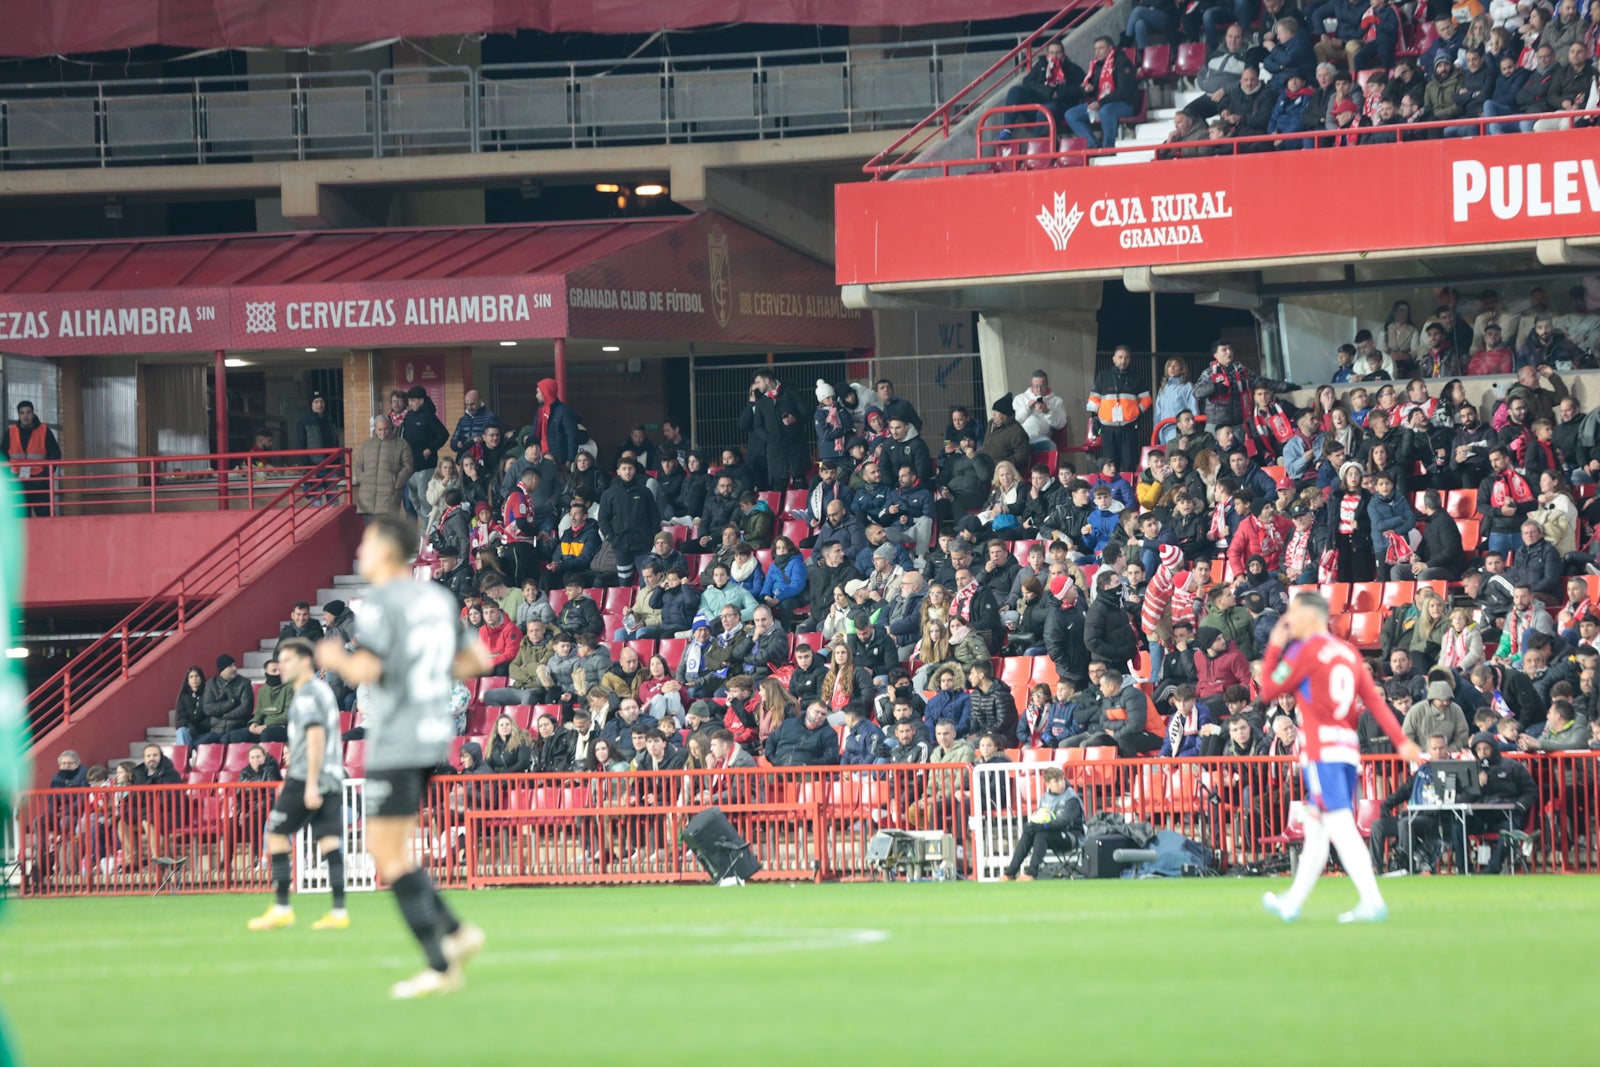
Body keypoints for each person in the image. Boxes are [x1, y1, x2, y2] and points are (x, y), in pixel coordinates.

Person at [315, 516, 492, 998]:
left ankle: (442, 962)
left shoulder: (382, 603)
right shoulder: (436, 598)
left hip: (398, 735)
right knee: (389, 851)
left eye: (369, 543)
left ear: (388, 551)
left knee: (387, 855)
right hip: (434, 734)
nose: (362, 551)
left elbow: (365, 670)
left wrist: (334, 660)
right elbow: (480, 662)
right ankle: (454, 935)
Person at [1259, 592, 1421, 924]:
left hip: (1321, 751)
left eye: (1294, 615)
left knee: (1339, 826)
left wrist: (1275, 645)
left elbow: (1268, 692)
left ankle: (1372, 900)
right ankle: (1293, 903)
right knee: (1318, 829)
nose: (1289, 621)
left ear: (1311, 617)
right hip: (1347, 749)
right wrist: (1402, 741)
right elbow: (1374, 703)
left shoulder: (1305, 650)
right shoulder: (1348, 652)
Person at [246, 638, 349, 932]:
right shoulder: (322, 690)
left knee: (276, 833)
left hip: (308, 775)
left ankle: (281, 908)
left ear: (305, 662)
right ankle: (339, 912)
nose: (281, 665)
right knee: (329, 841)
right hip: (332, 773)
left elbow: (315, 735)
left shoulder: (305, 695)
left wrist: (309, 784)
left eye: (287, 659)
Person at [1000, 766, 1085, 881]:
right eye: (1056, 781)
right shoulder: (1045, 798)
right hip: (1052, 834)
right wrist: (1033, 825)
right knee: (1028, 833)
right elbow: (1041, 815)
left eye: (1062, 780)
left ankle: (1031, 873)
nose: (1061, 783)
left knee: (1041, 835)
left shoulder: (1071, 799)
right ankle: (1010, 873)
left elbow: (1064, 822)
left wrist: (1042, 826)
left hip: (1072, 835)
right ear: (1048, 784)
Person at [1064, 36, 1140, 148]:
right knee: (1071, 114)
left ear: (1110, 48)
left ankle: (1109, 148)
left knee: (1106, 111)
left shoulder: (1122, 62)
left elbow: (1124, 91)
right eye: (1096, 49)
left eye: (1101, 48)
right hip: (1102, 102)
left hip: (1125, 104)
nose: (1097, 52)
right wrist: (1089, 90)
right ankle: (1093, 145)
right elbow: (1095, 90)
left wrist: (1101, 103)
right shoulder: (1096, 65)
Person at [1087, 345, 1152, 474]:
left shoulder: (1136, 377)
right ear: (1114, 359)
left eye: (1127, 357)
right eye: (1120, 357)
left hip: (1128, 426)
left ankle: (1129, 490)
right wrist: (1101, 411)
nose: (1123, 360)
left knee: (1129, 462)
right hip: (1107, 427)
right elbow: (1091, 401)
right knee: (1110, 463)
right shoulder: (1103, 376)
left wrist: (1137, 411)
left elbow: (1147, 399)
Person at [1, 400, 62, 517]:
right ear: (18, 415)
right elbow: (3, 457)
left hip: (39, 483)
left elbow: (55, 454)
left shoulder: (44, 431)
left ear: (33, 414)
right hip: (17, 484)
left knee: (45, 519)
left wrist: (45, 474)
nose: (25, 416)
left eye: (28, 412)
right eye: (22, 413)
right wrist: (9, 476)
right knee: (21, 521)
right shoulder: (10, 433)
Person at [353, 415, 414, 522]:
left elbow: (408, 466)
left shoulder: (401, 444)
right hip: (367, 497)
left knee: (386, 533)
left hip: (389, 496)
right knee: (370, 533)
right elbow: (358, 465)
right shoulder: (366, 444)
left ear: (390, 427)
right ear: (375, 429)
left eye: (386, 429)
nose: (383, 432)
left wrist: (396, 482)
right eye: (379, 429)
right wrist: (362, 478)